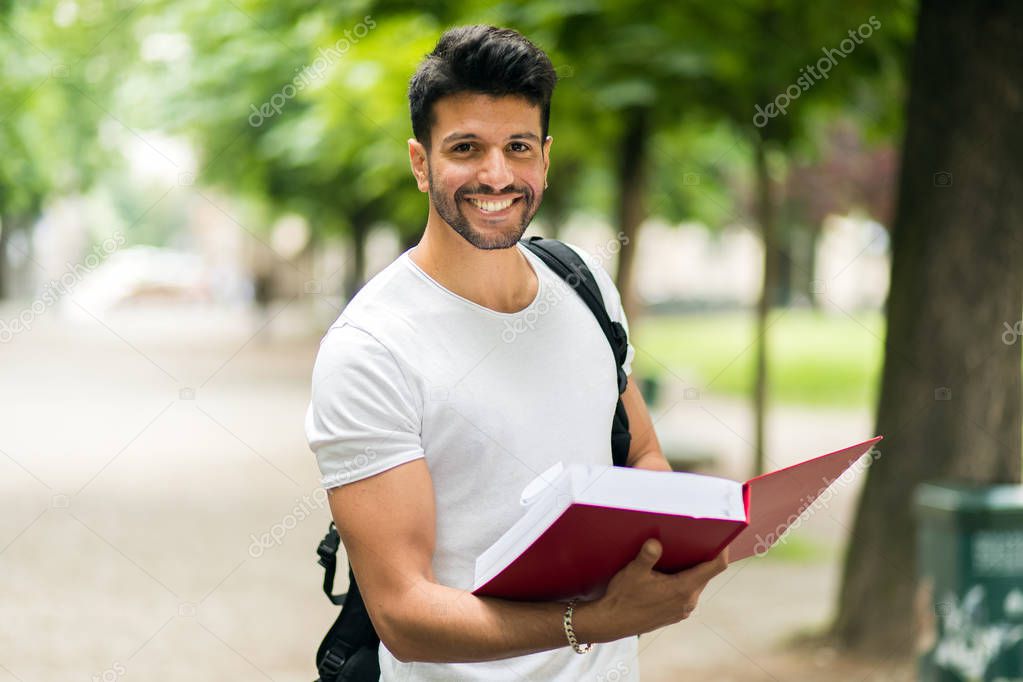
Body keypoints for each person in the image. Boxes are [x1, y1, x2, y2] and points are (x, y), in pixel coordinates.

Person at [304, 24, 728, 681]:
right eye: (466, 148)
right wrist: (588, 621)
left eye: (518, 147)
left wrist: (664, 546)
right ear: (420, 163)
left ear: (545, 158)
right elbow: (401, 613)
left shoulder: (583, 283)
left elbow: (641, 450)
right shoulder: (371, 349)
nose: (496, 174)